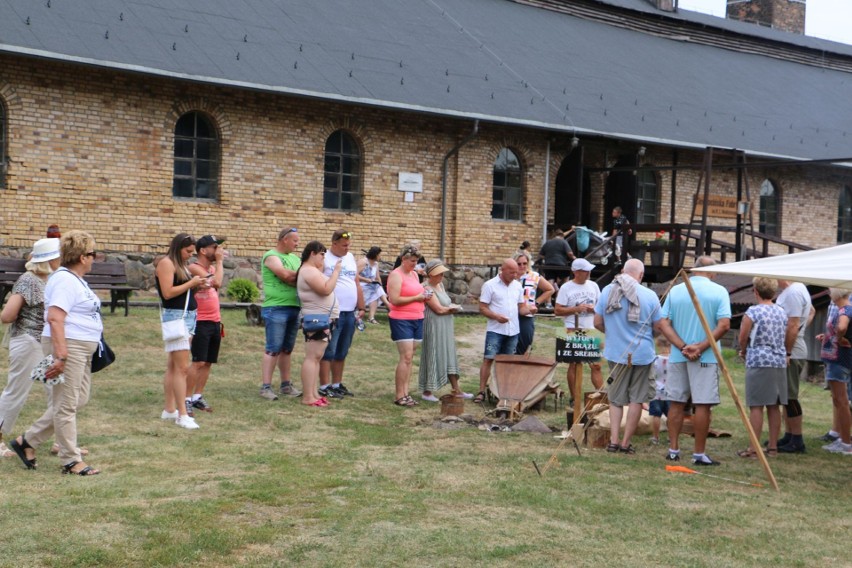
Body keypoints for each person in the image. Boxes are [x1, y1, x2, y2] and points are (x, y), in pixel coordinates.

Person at [10, 231, 103, 475]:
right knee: (66, 405)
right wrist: (61, 355)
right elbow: (54, 317)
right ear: (83, 257)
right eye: (93, 254)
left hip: (82, 347)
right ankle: (70, 460)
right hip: (69, 346)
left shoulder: (74, 279)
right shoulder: (64, 280)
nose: (95, 259)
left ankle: (28, 440)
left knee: (77, 399)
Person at [657, 256, 731, 466]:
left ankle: (673, 449)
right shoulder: (719, 291)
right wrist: (701, 346)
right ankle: (699, 454)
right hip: (705, 356)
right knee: (703, 405)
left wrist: (681, 346)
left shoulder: (676, 290)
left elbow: (663, 323)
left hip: (679, 355)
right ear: (712, 272)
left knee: (676, 403)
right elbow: (724, 325)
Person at [0, 238, 61, 458]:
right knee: (16, 392)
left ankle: (61, 443)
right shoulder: (29, 279)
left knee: (57, 393)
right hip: (28, 342)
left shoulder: (54, 279)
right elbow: (7, 315)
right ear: (51, 259)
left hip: (46, 344)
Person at [593, 259, 662, 454]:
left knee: (615, 399)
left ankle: (613, 441)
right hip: (642, 353)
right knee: (637, 399)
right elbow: (658, 327)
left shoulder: (607, 291)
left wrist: (613, 333)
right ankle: (625, 443)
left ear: (623, 271)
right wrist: (649, 336)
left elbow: (597, 322)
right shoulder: (649, 295)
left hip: (616, 352)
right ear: (640, 275)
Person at [156, 233, 208, 429]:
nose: (190, 255)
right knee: (182, 368)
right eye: (187, 251)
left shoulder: (180, 265)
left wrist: (196, 286)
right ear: (178, 248)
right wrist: (191, 283)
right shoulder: (166, 263)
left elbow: (182, 290)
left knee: (173, 365)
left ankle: (170, 410)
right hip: (176, 317)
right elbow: (168, 293)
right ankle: (182, 414)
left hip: (186, 316)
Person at [736, 278, 788, 458]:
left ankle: (754, 448)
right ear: (774, 293)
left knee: (756, 405)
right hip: (778, 360)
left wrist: (743, 351)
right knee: (774, 405)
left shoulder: (753, 311)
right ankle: (773, 447)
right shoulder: (782, 312)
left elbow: (743, 336)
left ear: (755, 291)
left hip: (759, 359)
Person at [475, 258, 530, 403]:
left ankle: (503, 392)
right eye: (511, 272)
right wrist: (495, 316)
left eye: (516, 272)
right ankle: (481, 391)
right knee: (488, 359)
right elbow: (482, 308)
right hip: (495, 330)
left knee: (508, 362)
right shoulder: (490, 285)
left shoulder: (518, 286)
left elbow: (521, 307)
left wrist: (530, 310)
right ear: (503, 270)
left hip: (513, 331)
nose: (514, 275)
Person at [319, 229, 365, 399]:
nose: (347, 248)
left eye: (349, 245)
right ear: (334, 243)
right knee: (328, 350)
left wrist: (362, 306)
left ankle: (336, 384)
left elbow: (356, 281)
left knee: (342, 350)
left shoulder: (350, 257)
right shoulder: (324, 258)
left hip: (349, 312)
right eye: (344, 245)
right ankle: (324, 385)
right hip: (331, 311)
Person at [260, 227, 303, 401]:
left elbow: (304, 277)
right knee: (273, 348)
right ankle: (266, 387)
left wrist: (297, 277)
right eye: (295, 240)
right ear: (284, 239)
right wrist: (296, 277)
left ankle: (286, 385)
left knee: (287, 349)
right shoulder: (271, 256)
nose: (297, 244)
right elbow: (285, 275)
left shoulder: (295, 258)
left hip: (294, 307)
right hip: (276, 308)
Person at [296, 241, 341, 407]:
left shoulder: (312, 270)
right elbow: (325, 289)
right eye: (322, 254)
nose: (324, 257)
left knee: (317, 357)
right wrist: (336, 272)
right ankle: (308, 396)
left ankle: (313, 393)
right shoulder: (308, 270)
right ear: (312, 253)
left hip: (323, 318)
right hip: (316, 318)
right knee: (312, 357)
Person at [418, 259, 470, 402]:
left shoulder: (440, 285)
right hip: (434, 325)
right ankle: (427, 391)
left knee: (448, 353)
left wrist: (452, 307)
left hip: (445, 325)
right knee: (434, 353)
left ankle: (456, 389)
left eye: (442, 273)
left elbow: (445, 304)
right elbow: (439, 309)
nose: (441, 276)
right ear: (431, 275)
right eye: (438, 274)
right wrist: (454, 308)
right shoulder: (426, 288)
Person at [186, 235, 226, 415]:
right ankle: (186, 398)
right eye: (214, 247)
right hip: (200, 321)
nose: (217, 250)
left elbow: (216, 284)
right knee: (198, 361)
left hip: (214, 320)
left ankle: (197, 397)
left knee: (208, 362)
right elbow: (217, 282)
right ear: (203, 250)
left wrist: (216, 263)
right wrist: (220, 261)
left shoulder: (210, 268)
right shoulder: (194, 267)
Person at [774, 279, 814, 453]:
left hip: (792, 352)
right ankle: (789, 436)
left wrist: (787, 351)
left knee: (790, 396)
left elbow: (793, 323)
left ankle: (797, 440)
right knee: (785, 395)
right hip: (791, 348)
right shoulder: (796, 290)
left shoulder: (794, 292)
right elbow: (811, 312)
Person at [554, 258, 603, 396]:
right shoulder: (566, 288)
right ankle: (574, 398)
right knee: (575, 364)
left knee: (596, 365)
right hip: (573, 328)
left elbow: (600, 306)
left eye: (588, 270)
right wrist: (576, 308)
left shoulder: (593, 286)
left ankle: (600, 397)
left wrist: (594, 309)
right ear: (576, 272)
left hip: (592, 329)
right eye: (585, 271)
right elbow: (557, 310)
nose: (588, 273)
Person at [387, 243, 428, 407]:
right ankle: (399, 395)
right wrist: (416, 298)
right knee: (406, 356)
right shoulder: (396, 275)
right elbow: (394, 300)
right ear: (403, 259)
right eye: (412, 261)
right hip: (401, 318)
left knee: (410, 358)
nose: (414, 264)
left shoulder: (414, 275)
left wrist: (423, 296)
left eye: (416, 261)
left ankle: (406, 392)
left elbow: (417, 293)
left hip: (417, 317)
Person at [816, 288, 852, 455]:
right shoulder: (843, 308)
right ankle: (843, 439)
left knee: (841, 400)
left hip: (839, 359)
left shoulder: (845, 309)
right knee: (839, 401)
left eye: (831, 290)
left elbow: (843, 326)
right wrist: (830, 336)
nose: (829, 293)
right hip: (836, 358)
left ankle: (846, 443)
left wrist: (837, 338)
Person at [513, 250, 554, 355]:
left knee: (524, 345)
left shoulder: (534, 276)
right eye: (519, 264)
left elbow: (550, 289)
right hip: (510, 314)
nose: (522, 266)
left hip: (527, 314)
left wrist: (536, 303)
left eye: (524, 263)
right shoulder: (510, 276)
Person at [357, 246, 388, 324]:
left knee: (376, 290)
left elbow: (377, 277)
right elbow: (354, 275)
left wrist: (380, 284)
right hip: (361, 285)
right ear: (375, 255)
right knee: (376, 290)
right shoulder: (363, 262)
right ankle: (387, 304)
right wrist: (366, 280)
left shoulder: (376, 264)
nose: (380, 257)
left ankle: (371, 317)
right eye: (379, 255)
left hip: (372, 286)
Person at [649, 336, 672, 445]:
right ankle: (671, 437)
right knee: (671, 416)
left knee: (656, 415)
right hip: (670, 392)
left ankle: (655, 437)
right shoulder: (674, 360)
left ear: (658, 345)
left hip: (656, 391)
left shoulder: (655, 359)